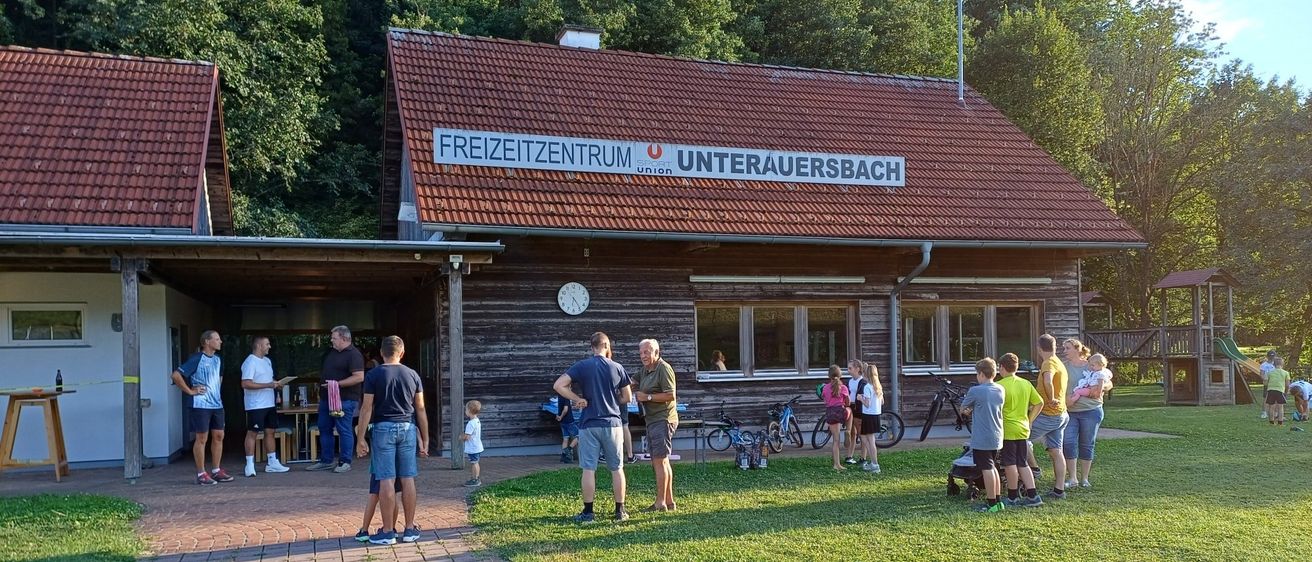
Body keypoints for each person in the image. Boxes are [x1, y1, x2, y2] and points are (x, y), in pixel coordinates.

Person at [353, 335, 427, 545]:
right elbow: (420, 409)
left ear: (381, 353)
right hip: (407, 427)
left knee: (386, 478)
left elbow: (367, 408)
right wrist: (426, 437)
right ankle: (410, 529)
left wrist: (360, 438)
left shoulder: (374, 375)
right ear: (401, 353)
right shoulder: (412, 374)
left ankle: (387, 532)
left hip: (383, 428)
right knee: (408, 477)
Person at [553, 332, 633, 523]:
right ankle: (620, 511)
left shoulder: (582, 366)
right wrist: (613, 400)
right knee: (617, 468)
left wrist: (578, 399)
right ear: (607, 346)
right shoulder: (617, 367)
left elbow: (559, 385)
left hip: (589, 424)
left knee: (589, 469)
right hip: (613, 423)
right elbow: (627, 397)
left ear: (592, 347)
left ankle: (588, 512)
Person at [171, 330, 233, 485]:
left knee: (219, 435)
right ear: (206, 341)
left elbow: (219, 380)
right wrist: (190, 391)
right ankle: (201, 473)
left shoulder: (219, 360)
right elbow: (176, 375)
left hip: (217, 404)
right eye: (217, 339)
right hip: (200, 404)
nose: (220, 342)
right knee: (202, 438)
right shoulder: (196, 358)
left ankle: (216, 470)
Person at [309, 325, 366, 473]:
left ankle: (345, 461)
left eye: (334, 338)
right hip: (326, 398)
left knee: (343, 429)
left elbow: (359, 377)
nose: (332, 341)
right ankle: (326, 460)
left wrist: (337, 384)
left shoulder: (354, 354)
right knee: (324, 427)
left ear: (344, 338)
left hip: (345, 399)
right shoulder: (333, 352)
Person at [635, 339, 678, 511]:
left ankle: (660, 503)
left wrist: (648, 397)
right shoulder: (645, 370)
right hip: (653, 420)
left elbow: (670, 395)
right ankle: (669, 501)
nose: (643, 356)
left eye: (646, 352)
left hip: (663, 419)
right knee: (662, 461)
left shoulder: (663, 368)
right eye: (640, 353)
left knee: (659, 461)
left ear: (656, 352)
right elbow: (631, 381)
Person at [996, 353, 1043, 507]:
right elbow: (1039, 403)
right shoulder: (1026, 383)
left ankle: (1012, 496)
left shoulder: (1000, 386)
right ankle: (1033, 495)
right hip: (1023, 428)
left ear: (1002, 367)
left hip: (1008, 429)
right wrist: (1030, 420)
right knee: (1022, 462)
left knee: (1009, 463)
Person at [240, 335, 290, 477]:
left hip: (269, 403)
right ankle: (249, 465)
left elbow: (268, 379)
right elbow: (245, 383)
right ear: (259, 345)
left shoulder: (267, 361)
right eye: (267, 344)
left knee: (270, 432)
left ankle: (272, 462)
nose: (269, 347)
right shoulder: (250, 362)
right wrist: (268, 385)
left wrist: (276, 384)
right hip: (255, 405)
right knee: (253, 433)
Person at [1027, 333, 1069, 500]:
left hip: (1048, 414)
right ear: (1055, 346)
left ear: (1039, 348)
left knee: (1019, 438)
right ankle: (1059, 490)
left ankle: (1034, 470)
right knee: (1056, 451)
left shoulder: (1048, 363)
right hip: (1062, 414)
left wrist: (1050, 398)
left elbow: (1048, 381)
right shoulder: (1059, 362)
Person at [961, 358, 1006, 513]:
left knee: (986, 469)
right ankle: (998, 501)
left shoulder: (976, 390)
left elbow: (964, 408)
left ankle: (991, 503)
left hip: (982, 437)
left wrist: (969, 410)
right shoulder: (1000, 389)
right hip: (997, 434)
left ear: (980, 374)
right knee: (993, 467)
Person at [1063, 353, 1112, 488]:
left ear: (1078, 350)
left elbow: (1109, 383)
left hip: (1091, 410)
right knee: (1068, 442)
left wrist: (1098, 390)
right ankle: (1072, 478)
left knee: (1087, 444)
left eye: (1068, 348)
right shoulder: (1063, 366)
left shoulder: (1093, 364)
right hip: (1071, 412)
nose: (1065, 350)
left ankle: (1084, 478)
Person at [820, 365, 850, 471]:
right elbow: (848, 402)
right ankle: (848, 430)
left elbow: (825, 400)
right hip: (841, 412)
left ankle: (836, 463)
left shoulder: (825, 387)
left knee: (835, 440)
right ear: (840, 375)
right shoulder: (844, 387)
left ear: (829, 376)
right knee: (850, 410)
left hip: (830, 413)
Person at [857, 362, 884, 474]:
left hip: (868, 415)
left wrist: (860, 398)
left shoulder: (867, 387)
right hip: (876, 414)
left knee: (870, 440)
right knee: (864, 437)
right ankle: (873, 462)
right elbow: (882, 402)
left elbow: (867, 404)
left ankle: (875, 464)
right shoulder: (878, 386)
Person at [843, 359, 865, 466]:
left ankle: (863, 457)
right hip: (850, 408)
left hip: (859, 409)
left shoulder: (862, 382)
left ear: (858, 369)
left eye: (850, 368)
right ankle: (849, 456)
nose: (849, 370)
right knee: (852, 433)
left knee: (862, 434)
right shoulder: (850, 381)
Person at [461, 400, 484, 487]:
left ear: (469, 411)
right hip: (477, 446)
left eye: (466, 410)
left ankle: (475, 479)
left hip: (473, 447)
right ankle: (476, 478)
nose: (465, 411)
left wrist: (461, 437)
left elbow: (467, 436)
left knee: (474, 463)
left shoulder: (470, 423)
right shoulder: (477, 421)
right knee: (476, 462)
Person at [1264, 357, 1291, 426]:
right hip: (1280, 390)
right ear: (1283, 364)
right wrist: (1286, 391)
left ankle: (1271, 422)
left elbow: (1265, 383)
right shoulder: (1286, 373)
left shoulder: (1269, 372)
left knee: (1271, 407)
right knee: (1280, 407)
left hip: (1271, 390)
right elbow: (1287, 384)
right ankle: (1280, 423)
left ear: (1273, 364)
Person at [557, 398, 579, 463]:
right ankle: (568, 450)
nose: (571, 389)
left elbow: (564, 407)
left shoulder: (559, 397)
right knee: (579, 436)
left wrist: (560, 417)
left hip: (562, 422)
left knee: (565, 438)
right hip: (569, 421)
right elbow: (566, 409)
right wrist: (561, 416)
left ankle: (564, 456)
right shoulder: (565, 397)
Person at [1259, 351, 1277, 420]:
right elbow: (1261, 374)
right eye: (1270, 356)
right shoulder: (1264, 365)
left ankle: (1275, 412)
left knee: (1276, 398)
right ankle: (1264, 412)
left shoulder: (1276, 364)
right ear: (1268, 356)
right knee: (1265, 398)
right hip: (1267, 383)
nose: (1272, 358)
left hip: (1275, 383)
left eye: (1273, 356)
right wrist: (1266, 380)